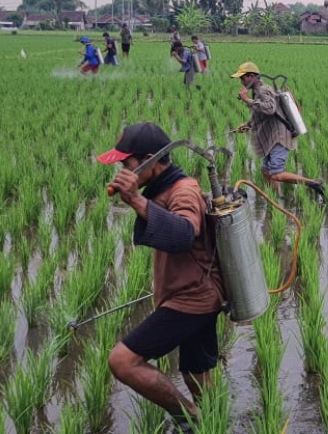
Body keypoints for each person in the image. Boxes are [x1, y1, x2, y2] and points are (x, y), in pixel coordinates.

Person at [97, 121, 226, 433]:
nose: (123, 171)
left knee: (122, 361)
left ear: (150, 160)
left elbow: (184, 232)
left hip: (191, 299)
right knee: (197, 372)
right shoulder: (163, 188)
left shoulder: (184, 191)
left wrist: (136, 200)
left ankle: (189, 418)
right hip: (198, 292)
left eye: (127, 164)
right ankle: (214, 423)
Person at [231, 61, 326, 200]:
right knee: (265, 171)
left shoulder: (264, 90)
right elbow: (261, 114)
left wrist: (247, 100)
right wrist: (248, 124)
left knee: (275, 173)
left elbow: (270, 109)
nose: (241, 81)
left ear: (251, 76)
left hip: (280, 136)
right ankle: (276, 198)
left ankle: (314, 183)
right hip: (271, 137)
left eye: (242, 78)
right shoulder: (257, 91)